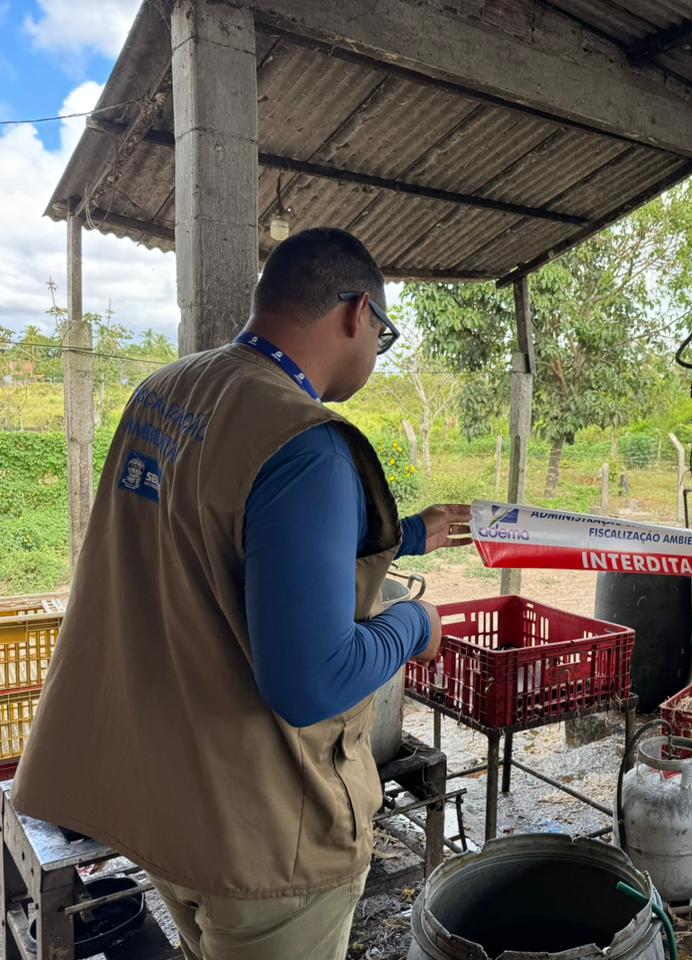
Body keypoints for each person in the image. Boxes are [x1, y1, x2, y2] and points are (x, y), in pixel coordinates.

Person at [13, 228, 471, 960]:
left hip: (165, 806)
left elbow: (219, 531)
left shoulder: (166, 392)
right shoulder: (306, 442)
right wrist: (415, 623)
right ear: (357, 313)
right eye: (381, 335)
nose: (375, 350)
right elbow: (311, 681)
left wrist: (412, 532)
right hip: (264, 841)